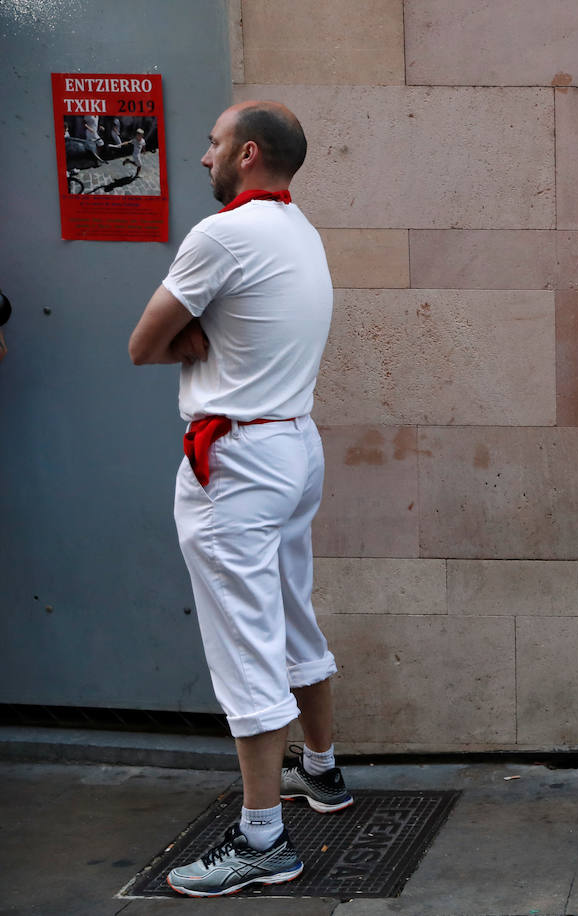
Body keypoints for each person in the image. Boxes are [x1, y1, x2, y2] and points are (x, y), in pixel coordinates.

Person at [129, 101, 351, 897]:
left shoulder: (222, 235)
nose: (203, 156)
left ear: (248, 154)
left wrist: (196, 342)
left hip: (237, 460)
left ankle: (263, 840)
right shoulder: (302, 232)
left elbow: (141, 343)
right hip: (293, 442)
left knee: (245, 644)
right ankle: (320, 772)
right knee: (290, 608)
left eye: (215, 142)